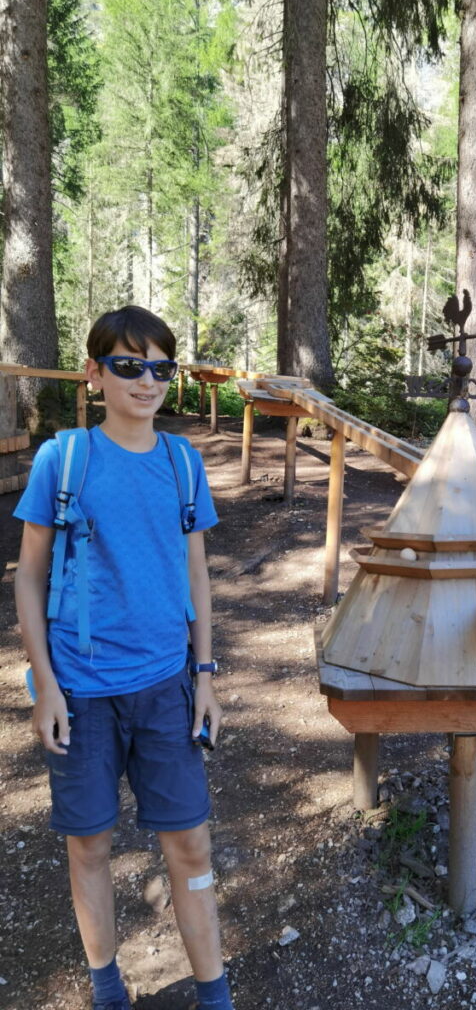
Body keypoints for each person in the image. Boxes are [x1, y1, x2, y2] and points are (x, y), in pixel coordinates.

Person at [13, 306, 234, 1010]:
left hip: (167, 687)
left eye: (160, 367)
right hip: (80, 693)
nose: (146, 381)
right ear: (94, 371)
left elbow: (197, 575)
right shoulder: (63, 459)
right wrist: (45, 686)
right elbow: (28, 576)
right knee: (90, 847)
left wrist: (204, 676)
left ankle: (215, 994)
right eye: (128, 364)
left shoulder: (181, 462)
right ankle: (108, 991)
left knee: (191, 847)